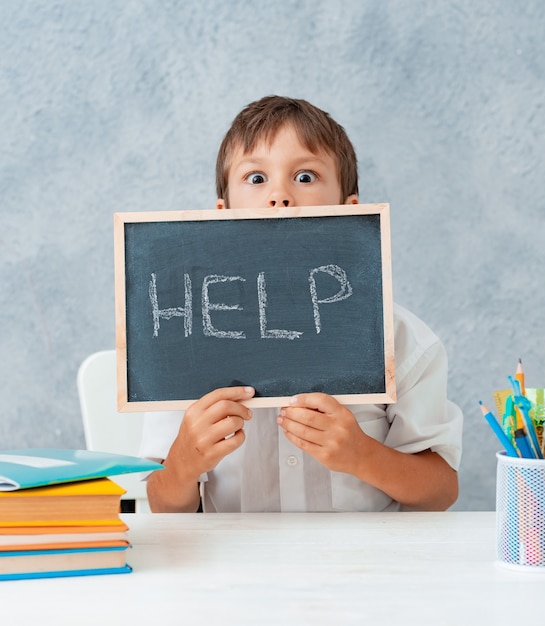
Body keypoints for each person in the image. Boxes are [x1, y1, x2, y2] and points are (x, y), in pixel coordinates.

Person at [139, 95, 463, 513]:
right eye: (256, 179)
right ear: (221, 214)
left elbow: (441, 491)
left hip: (364, 568)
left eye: (306, 176)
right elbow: (162, 505)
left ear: (352, 209)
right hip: (234, 569)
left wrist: (364, 456)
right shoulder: (182, 343)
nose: (280, 196)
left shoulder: (401, 340)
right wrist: (183, 464)